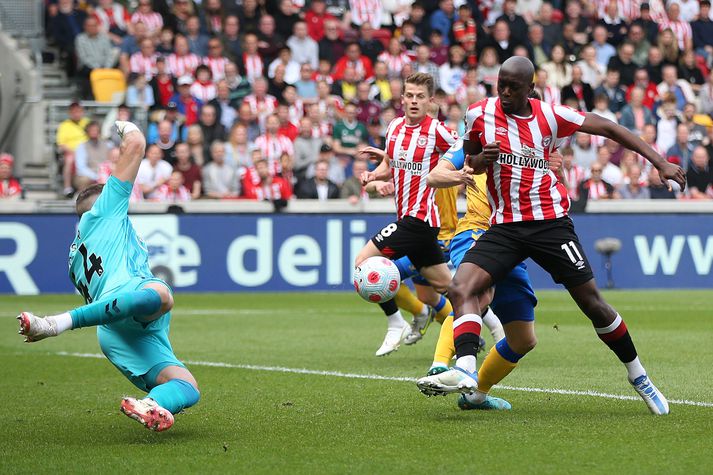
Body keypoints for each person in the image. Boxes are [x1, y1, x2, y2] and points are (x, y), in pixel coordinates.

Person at [417, 57, 686, 415]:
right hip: (505, 228)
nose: (506, 93)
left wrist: (659, 162)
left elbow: (609, 128)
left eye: (514, 87)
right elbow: (472, 164)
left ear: (531, 88)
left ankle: (638, 376)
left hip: (550, 224)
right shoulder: (478, 114)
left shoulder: (550, 115)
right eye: (501, 85)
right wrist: (483, 157)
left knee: (593, 304)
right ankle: (466, 369)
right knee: (461, 288)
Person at [17, 121, 200, 431]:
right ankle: (54, 323)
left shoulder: (74, 256)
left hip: (113, 329)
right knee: (161, 294)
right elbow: (137, 144)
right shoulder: (105, 210)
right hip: (130, 297)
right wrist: (122, 124)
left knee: (186, 385)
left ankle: (152, 404)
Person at [356, 73, 456, 356]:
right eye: (409, 96)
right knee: (448, 287)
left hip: (420, 220)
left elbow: (465, 153)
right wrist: (373, 175)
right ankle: (492, 328)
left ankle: (395, 322)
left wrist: (461, 173)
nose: (414, 101)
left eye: (420, 96)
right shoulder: (396, 126)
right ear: (402, 99)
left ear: (430, 101)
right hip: (414, 223)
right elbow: (391, 163)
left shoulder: (438, 131)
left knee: (364, 263)